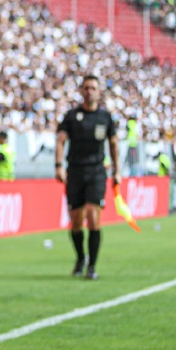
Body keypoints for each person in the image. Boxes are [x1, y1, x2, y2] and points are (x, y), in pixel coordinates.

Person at [54, 76, 120, 281]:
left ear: (98, 92)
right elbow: (60, 140)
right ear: (81, 91)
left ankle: (92, 266)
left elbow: (114, 144)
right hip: (75, 172)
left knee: (92, 216)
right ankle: (81, 258)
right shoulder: (72, 116)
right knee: (75, 221)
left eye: (93, 88)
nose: (90, 91)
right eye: (86, 88)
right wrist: (58, 166)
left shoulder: (105, 117)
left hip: (96, 172)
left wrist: (117, 171)